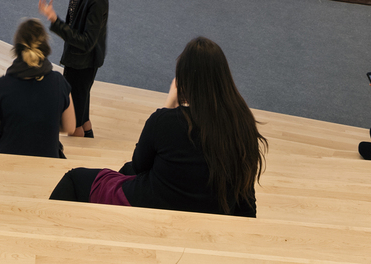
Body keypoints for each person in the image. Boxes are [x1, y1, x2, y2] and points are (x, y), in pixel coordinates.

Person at [49, 36, 265, 216]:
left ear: (184, 81)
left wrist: (170, 104)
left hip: (153, 205)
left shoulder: (165, 121)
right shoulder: (243, 126)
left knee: (75, 179)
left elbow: (140, 166)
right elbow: (247, 202)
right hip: (213, 216)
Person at [38, 0, 115, 137]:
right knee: (81, 112)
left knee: (73, 122)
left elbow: (87, 42)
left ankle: (81, 150)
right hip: (79, 60)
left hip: (83, 63)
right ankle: (86, 134)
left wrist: (56, 21)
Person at [0, 18, 75, 158]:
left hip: (8, 162)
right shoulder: (59, 82)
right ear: (45, 46)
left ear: (17, 48)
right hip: (47, 161)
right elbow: (70, 127)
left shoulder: (2, 85)